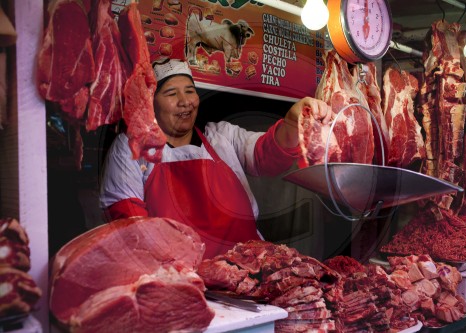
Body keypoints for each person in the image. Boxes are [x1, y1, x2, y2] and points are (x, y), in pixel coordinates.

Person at [100, 58, 332, 258]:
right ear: (152, 103)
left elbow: (266, 156)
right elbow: (129, 224)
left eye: (190, 91)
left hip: (247, 270)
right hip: (181, 280)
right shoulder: (132, 147)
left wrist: (293, 124)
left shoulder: (221, 136)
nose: (185, 100)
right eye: (171, 93)